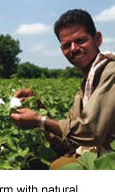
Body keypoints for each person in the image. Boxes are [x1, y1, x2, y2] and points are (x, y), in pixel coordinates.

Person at [11, 9, 115, 169]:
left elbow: (90, 132)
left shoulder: (110, 72)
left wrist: (40, 120)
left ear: (98, 39)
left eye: (81, 40)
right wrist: (38, 105)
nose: (74, 48)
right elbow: (69, 142)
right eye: (67, 45)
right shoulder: (87, 84)